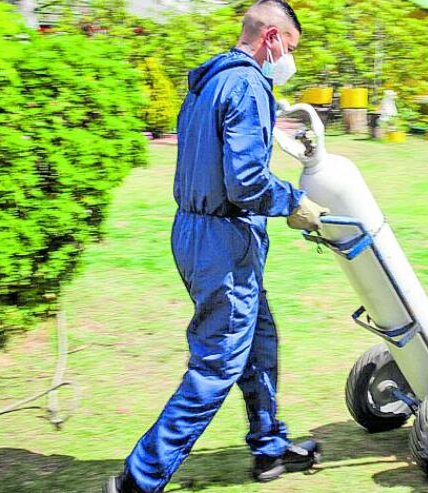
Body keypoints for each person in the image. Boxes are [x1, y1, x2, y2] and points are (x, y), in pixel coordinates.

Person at [105, 2, 329, 492]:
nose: (288, 61)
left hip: (196, 231)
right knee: (216, 365)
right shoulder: (248, 84)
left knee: (259, 343)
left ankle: (268, 448)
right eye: (288, 48)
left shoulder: (210, 80)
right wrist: (294, 201)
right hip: (222, 242)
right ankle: (137, 481)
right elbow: (246, 181)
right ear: (271, 37)